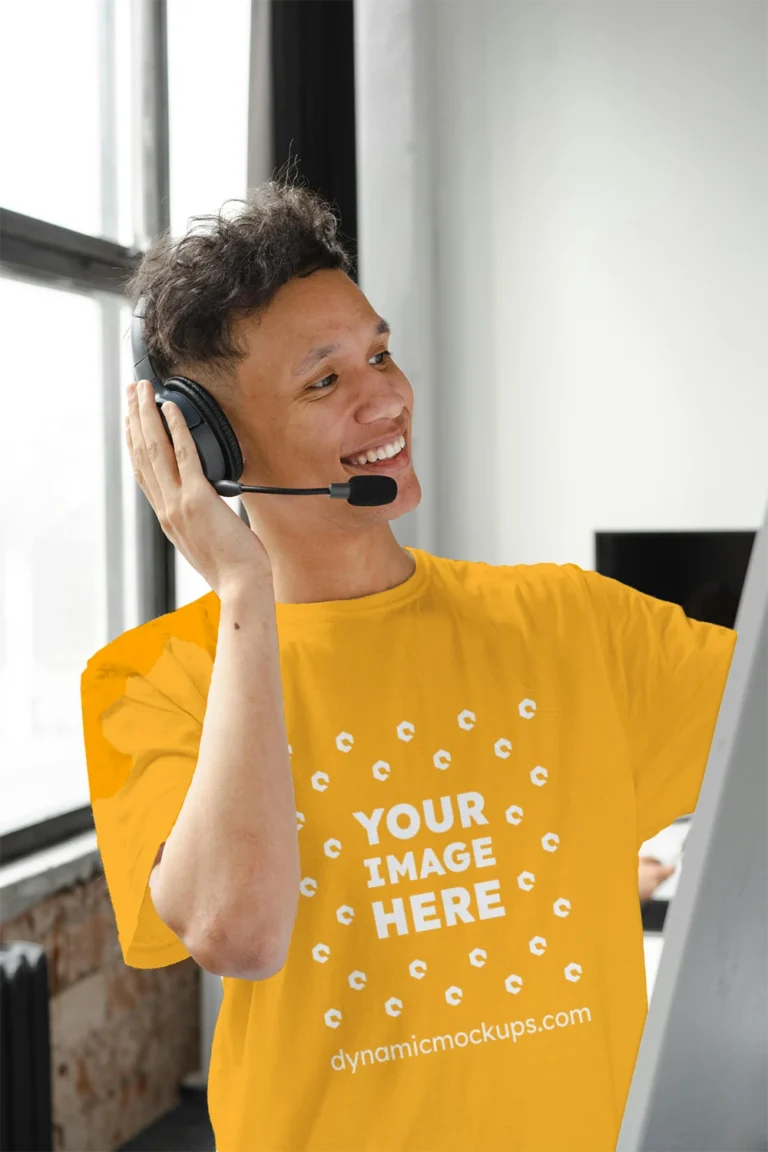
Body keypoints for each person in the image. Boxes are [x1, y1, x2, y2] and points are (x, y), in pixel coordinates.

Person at [80, 178, 737, 1152]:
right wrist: (244, 593)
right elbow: (239, 931)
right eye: (324, 380)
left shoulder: (574, 624)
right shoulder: (155, 682)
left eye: (379, 352)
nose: (385, 394)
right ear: (212, 449)